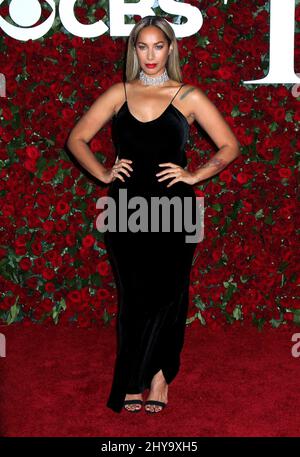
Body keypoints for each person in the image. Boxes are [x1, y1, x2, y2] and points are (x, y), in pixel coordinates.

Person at [66, 15, 240, 414]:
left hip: (175, 212)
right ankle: (131, 378)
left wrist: (195, 174)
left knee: (170, 296)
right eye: (141, 46)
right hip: (126, 211)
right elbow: (76, 138)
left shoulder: (189, 97)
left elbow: (229, 146)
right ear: (133, 50)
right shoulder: (118, 93)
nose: (149, 55)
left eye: (157, 46)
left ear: (170, 48)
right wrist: (103, 172)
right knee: (134, 298)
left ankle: (160, 376)